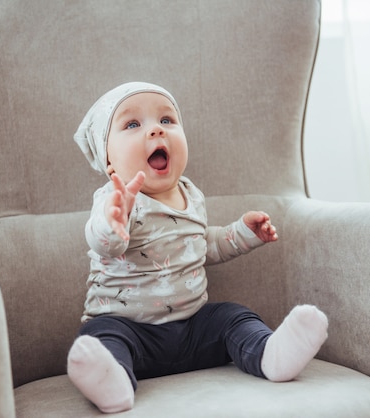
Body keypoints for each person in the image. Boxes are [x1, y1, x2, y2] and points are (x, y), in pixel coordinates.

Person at [70, 82, 328, 413]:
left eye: (166, 120)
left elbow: (203, 246)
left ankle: (270, 356)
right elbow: (103, 244)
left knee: (232, 315)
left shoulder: (191, 194)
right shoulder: (113, 199)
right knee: (99, 336)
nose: (155, 131)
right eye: (132, 124)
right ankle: (113, 382)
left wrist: (243, 233)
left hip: (192, 328)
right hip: (130, 330)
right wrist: (113, 223)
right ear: (109, 162)